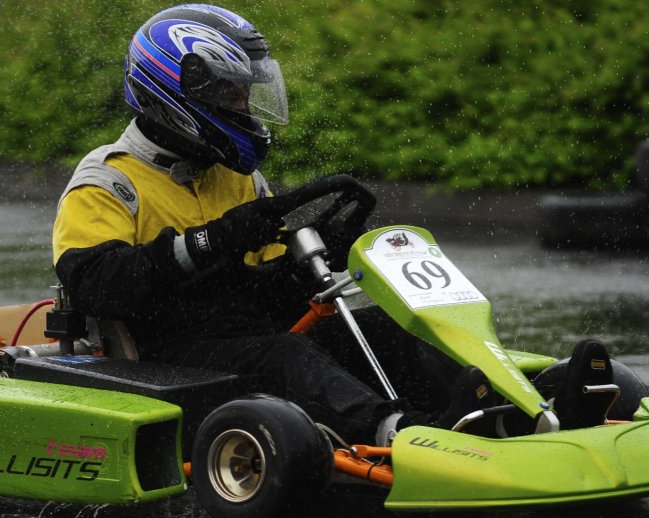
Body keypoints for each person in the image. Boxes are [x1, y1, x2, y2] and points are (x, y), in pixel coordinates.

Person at [51, 4, 491, 445]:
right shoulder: (109, 180)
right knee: (283, 353)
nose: (242, 107)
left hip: (246, 336)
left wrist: (316, 258)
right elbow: (95, 284)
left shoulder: (237, 178)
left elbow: (271, 296)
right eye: (229, 95)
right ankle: (399, 434)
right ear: (176, 89)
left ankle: (482, 413)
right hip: (163, 354)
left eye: (244, 94)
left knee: (384, 327)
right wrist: (213, 240)